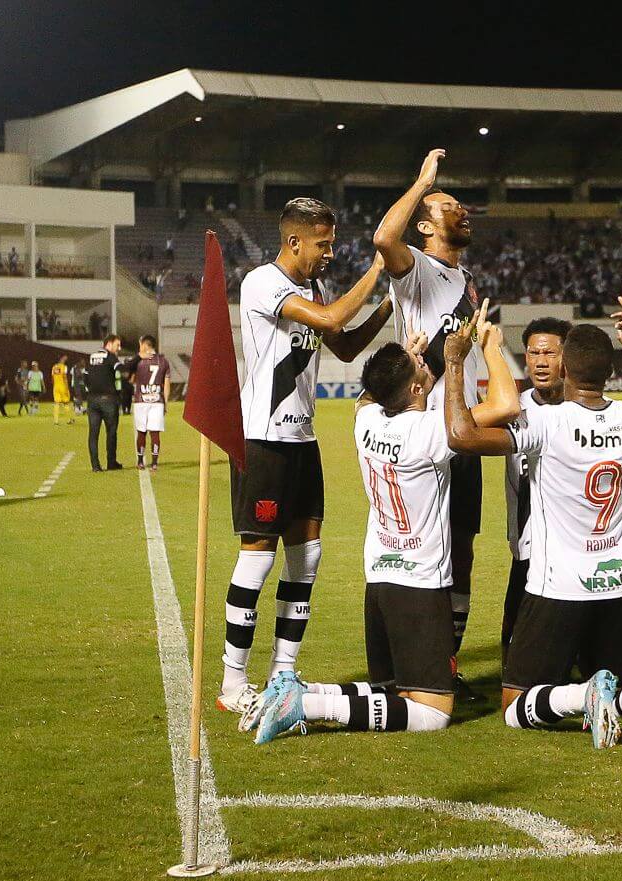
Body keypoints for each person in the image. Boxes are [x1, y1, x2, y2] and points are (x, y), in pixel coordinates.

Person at [444, 303, 622, 749]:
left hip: (557, 585)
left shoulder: (547, 423)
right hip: (618, 584)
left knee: (515, 703)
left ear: (565, 366)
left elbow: (461, 436)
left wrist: (455, 363)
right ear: (612, 372)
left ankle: (585, 695)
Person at [243, 313, 520, 743]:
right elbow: (506, 405)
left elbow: (367, 396)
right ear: (413, 389)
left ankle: (300, 691)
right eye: (421, 370)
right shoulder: (429, 432)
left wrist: (402, 359)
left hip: (380, 580)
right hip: (420, 585)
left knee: (396, 693)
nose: (428, 370)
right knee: (431, 713)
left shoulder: (367, 423)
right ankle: (306, 704)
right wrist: (483, 348)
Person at [215, 197, 395, 715]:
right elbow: (333, 316)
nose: (331, 254)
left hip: (303, 441)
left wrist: (388, 305)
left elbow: (343, 344)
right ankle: (232, 682)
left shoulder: (312, 287)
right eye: (324, 244)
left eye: (332, 244)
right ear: (295, 242)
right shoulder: (263, 283)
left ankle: (282, 674)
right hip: (263, 440)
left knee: (307, 556)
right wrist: (378, 267)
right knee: (258, 557)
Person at [373, 148, 487, 696]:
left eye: (462, 205)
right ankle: (407, 658)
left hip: (460, 425)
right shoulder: (416, 268)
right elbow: (382, 241)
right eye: (450, 206)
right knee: (424, 544)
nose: (461, 212)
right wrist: (422, 183)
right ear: (425, 223)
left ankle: (447, 660)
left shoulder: (465, 280)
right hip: (422, 430)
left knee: (462, 542)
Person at [501, 316, 571, 663]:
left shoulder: (584, 407)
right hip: (527, 549)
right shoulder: (512, 409)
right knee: (515, 656)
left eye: (550, 353)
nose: (541, 362)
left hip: (575, 550)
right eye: (533, 353)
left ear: (567, 358)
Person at [84, 335, 125, 472]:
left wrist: (90, 390)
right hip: (109, 400)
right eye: (117, 345)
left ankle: (95, 465)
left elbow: (85, 377)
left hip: (93, 400)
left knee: (93, 433)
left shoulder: (91, 357)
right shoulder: (110, 357)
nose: (118, 348)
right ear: (109, 343)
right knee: (111, 432)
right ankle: (111, 463)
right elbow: (121, 370)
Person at [130, 335, 169, 470]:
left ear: (145, 345)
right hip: (157, 400)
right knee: (155, 432)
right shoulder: (163, 361)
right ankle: (154, 463)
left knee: (141, 431)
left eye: (141, 344)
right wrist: (166, 402)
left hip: (141, 399)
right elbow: (167, 384)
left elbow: (131, 379)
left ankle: (140, 461)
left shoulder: (139, 361)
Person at [51, 354, 72, 425]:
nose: (65, 360)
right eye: (64, 358)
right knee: (66, 403)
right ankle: (68, 420)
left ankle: (56, 421)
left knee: (56, 403)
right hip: (62, 386)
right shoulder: (64, 367)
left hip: (56, 386)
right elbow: (64, 377)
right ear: (61, 359)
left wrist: (54, 386)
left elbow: (52, 378)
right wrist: (66, 387)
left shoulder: (54, 367)